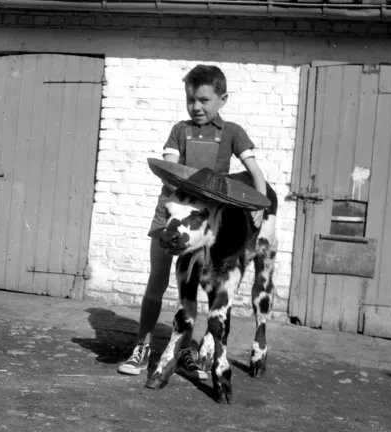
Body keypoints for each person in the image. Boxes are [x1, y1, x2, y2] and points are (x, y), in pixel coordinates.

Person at [117, 64, 269, 379]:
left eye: (204, 100)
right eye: (191, 101)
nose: (196, 107)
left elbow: (256, 175)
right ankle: (142, 348)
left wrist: (259, 206)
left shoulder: (233, 133)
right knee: (158, 281)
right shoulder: (179, 130)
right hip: (173, 218)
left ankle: (186, 352)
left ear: (223, 99)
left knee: (199, 289)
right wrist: (187, 202)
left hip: (207, 226)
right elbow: (172, 172)